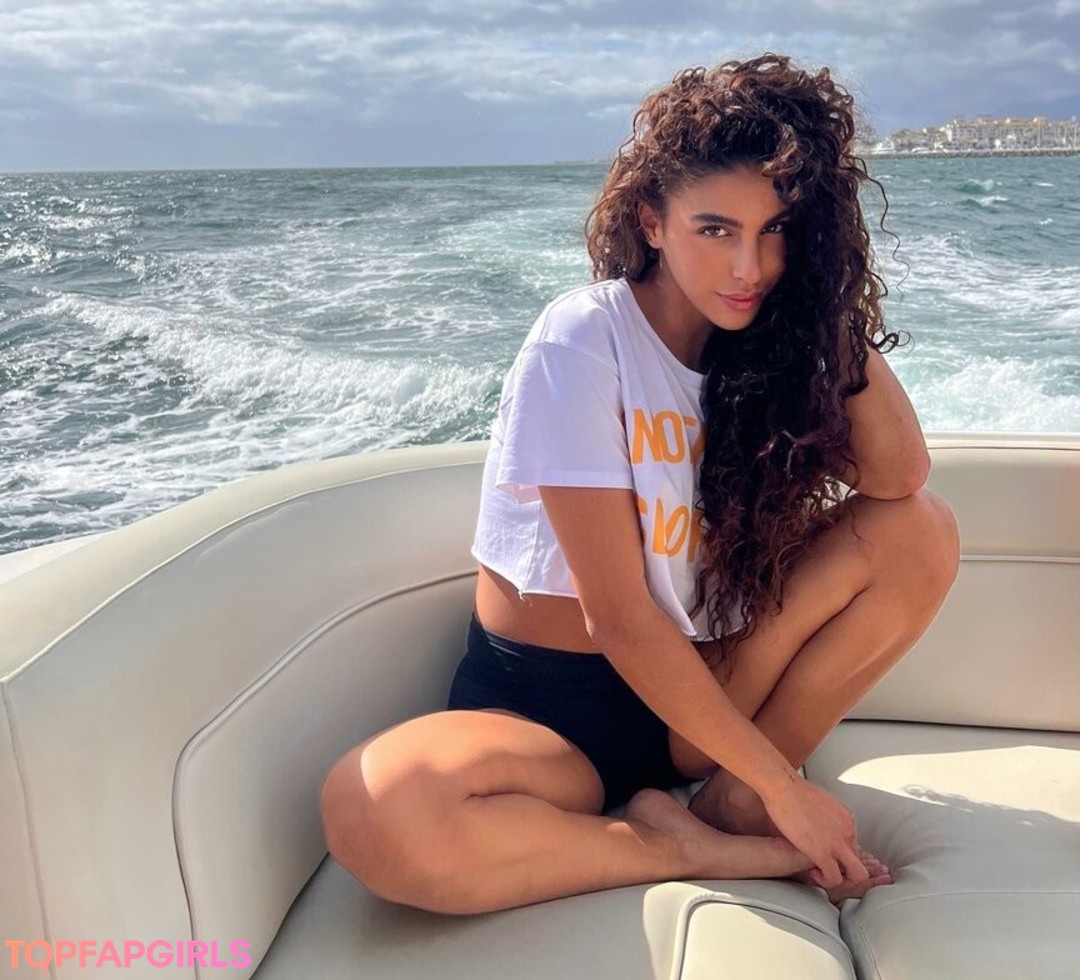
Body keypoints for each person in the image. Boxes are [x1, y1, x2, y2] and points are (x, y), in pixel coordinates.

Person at [320, 53, 960, 916]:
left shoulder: (763, 352)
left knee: (919, 529)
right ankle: (682, 847)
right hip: (549, 715)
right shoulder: (584, 340)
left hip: (701, 693)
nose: (749, 267)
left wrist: (822, 305)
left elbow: (899, 474)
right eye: (716, 229)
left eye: (776, 230)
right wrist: (788, 790)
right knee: (376, 809)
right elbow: (618, 618)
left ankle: (729, 804)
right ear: (652, 222)